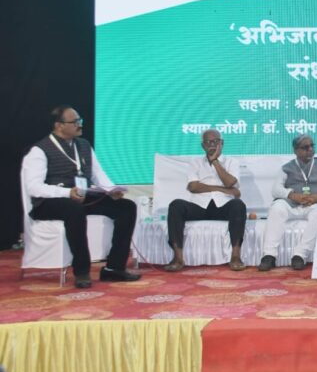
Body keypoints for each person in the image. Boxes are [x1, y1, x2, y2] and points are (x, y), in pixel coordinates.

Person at [21, 105, 141, 288]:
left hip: (81, 197)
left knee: (126, 207)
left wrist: (111, 189)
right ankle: (82, 270)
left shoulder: (84, 145)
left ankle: (114, 268)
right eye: (75, 122)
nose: (80, 125)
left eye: (80, 120)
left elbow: (98, 175)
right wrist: (67, 192)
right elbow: (34, 187)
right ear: (59, 125)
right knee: (74, 209)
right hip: (49, 203)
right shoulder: (39, 150)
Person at [164, 129, 247, 272]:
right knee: (176, 205)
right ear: (203, 146)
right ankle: (177, 258)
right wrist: (223, 189)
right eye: (208, 142)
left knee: (238, 205)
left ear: (222, 143)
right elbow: (193, 187)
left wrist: (215, 161)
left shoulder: (232, 162)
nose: (212, 145)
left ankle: (235, 256)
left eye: (215, 141)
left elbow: (230, 182)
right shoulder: (195, 162)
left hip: (223, 206)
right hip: (199, 206)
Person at [258, 135, 317, 271]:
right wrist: (292, 195)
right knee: (277, 208)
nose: (310, 150)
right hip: (292, 204)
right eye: (305, 147)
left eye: (312, 146)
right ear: (295, 150)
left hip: (314, 204)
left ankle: (300, 255)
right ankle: (269, 255)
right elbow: (275, 189)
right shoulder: (287, 167)